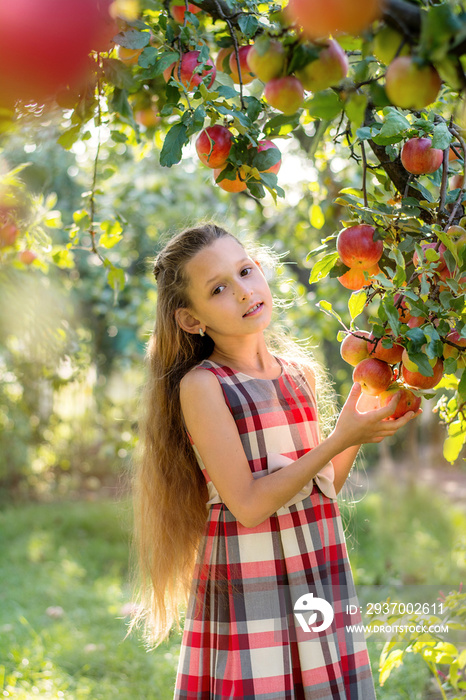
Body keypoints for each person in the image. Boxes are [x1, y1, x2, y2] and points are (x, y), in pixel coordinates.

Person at [131, 223, 420, 699]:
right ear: (191, 320)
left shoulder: (300, 374)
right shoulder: (204, 386)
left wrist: (358, 424)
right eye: (219, 289)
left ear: (261, 271)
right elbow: (247, 504)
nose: (243, 291)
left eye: (245, 271)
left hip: (316, 562)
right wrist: (337, 441)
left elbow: (321, 487)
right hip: (252, 573)